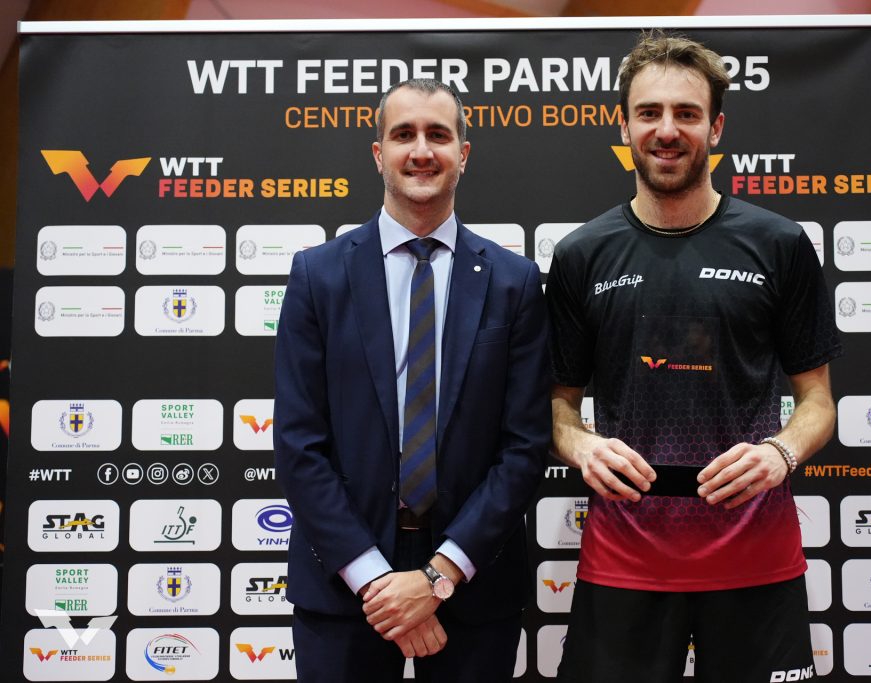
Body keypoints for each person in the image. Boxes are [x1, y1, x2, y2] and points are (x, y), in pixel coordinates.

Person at [546, 31, 842, 683]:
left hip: (756, 557)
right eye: (649, 112)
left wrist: (781, 453)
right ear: (623, 126)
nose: (667, 130)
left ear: (716, 127)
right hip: (624, 560)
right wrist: (581, 445)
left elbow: (818, 402)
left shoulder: (779, 244)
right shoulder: (580, 254)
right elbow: (558, 406)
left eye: (686, 113)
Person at [274, 78, 550, 682]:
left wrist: (437, 577)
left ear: (463, 154)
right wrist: (377, 582)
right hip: (345, 582)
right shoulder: (318, 276)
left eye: (438, 135)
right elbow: (298, 444)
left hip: (473, 578)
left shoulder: (514, 282)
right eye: (403, 134)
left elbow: (525, 447)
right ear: (379, 153)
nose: (421, 150)